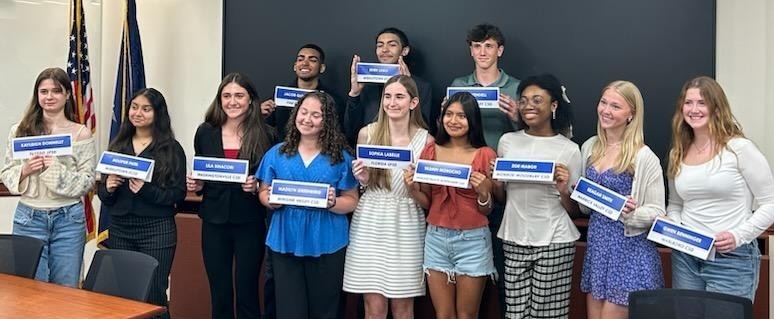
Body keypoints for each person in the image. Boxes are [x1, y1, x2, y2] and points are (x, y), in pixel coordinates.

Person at [667, 76, 774, 301]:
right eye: (688, 102)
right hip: (686, 257)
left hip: (732, 259)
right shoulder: (678, 153)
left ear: (716, 107)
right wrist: (677, 229)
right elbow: (676, 205)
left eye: (702, 103)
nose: (694, 109)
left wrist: (738, 236)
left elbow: (770, 203)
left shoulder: (739, 149)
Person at [257, 91, 359, 319]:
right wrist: (270, 200)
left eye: (316, 115)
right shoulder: (277, 153)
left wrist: (333, 203)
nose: (307, 119)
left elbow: (352, 200)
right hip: (285, 239)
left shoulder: (341, 158)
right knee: (290, 311)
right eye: (303, 112)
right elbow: (263, 192)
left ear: (327, 121)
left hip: (328, 240)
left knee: (325, 311)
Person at [186, 73, 276, 319]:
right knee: (220, 292)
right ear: (219, 100)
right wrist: (197, 182)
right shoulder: (205, 132)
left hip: (250, 221)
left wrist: (257, 186)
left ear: (251, 101)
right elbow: (202, 176)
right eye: (226, 96)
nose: (232, 101)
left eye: (239, 95)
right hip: (214, 220)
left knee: (247, 292)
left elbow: (272, 182)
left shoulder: (267, 134)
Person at [343, 75, 433, 319]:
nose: (392, 102)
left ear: (413, 103)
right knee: (373, 307)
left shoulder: (426, 141)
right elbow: (363, 185)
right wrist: (362, 180)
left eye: (400, 97)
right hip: (370, 219)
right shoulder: (367, 134)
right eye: (388, 96)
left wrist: (414, 186)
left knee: (403, 307)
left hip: (407, 222)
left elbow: (428, 200)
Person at [492, 74, 580, 319]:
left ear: (553, 105)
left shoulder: (570, 149)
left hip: (555, 240)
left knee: (547, 316)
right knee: (515, 314)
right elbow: (501, 197)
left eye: (537, 100)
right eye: (524, 100)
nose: (528, 105)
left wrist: (564, 189)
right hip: (514, 238)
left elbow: (575, 210)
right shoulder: (507, 142)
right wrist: (496, 181)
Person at [449, 23, 521, 313]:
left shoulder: (515, 87)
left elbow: (529, 135)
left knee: (501, 273)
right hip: (463, 184)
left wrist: (517, 117)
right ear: (471, 50)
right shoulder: (459, 85)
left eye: (489, 46)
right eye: (477, 46)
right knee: (466, 274)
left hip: (501, 187)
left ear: (499, 50)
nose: (482, 52)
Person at [404, 92, 497, 319]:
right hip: (436, 239)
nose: (454, 121)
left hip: (473, 241)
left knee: (467, 315)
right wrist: (411, 189)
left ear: (472, 120)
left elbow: (487, 209)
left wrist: (484, 191)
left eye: (462, 116)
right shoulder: (430, 151)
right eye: (449, 114)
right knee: (443, 314)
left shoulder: (485, 154)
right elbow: (428, 201)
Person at [0, 67, 95, 287]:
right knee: (30, 288)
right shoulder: (20, 131)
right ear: (37, 95)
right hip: (29, 217)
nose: (49, 97)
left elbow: (87, 180)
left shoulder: (81, 133)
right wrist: (25, 170)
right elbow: (6, 172)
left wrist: (53, 168)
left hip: (68, 219)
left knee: (66, 287)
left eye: (56, 91)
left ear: (67, 95)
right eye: (44, 91)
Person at [579, 81, 665, 319]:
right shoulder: (590, 148)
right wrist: (575, 191)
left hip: (629, 253)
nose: (606, 110)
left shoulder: (643, 156)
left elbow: (658, 211)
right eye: (604, 103)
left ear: (631, 115)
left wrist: (630, 212)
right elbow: (585, 209)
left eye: (615, 106)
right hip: (598, 250)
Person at [97, 88, 186, 318]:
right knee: (125, 294)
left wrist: (147, 191)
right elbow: (103, 194)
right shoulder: (118, 145)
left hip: (156, 231)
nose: (138, 113)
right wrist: (107, 188)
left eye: (146, 109)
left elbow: (177, 194)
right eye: (134, 107)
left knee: (153, 294)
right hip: (121, 229)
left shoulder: (171, 149)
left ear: (158, 113)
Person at [345, 27, 435, 144]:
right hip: (370, 149)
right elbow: (350, 131)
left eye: (392, 45)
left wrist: (408, 87)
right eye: (380, 45)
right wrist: (355, 94)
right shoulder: (366, 85)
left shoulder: (421, 86)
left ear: (404, 51)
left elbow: (423, 129)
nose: (384, 50)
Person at [260, 43, 344, 139]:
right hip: (283, 151)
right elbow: (265, 131)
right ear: (295, 66)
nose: (305, 63)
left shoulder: (333, 100)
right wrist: (260, 117)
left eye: (312, 60)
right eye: (301, 59)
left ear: (322, 68)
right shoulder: (279, 97)